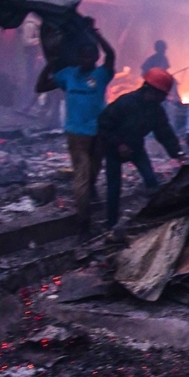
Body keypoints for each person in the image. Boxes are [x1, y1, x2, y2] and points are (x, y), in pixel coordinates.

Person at [36, 20, 115, 241]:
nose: (86, 60)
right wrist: (50, 63)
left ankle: (90, 195)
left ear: (95, 58)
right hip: (77, 135)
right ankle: (84, 223)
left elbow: (111, 55)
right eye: (83, 56)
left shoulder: (101, 75)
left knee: (93, 172)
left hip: (98, 133)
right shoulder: (68, 74)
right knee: (81, 177)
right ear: (79, 58)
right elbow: (41, 87)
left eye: (91, 56)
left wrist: (96, 35)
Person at [97, 68, 186, 228]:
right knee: (114, 186)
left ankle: (154, 217)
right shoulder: (125, 103)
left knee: (151, 181)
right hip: (114, 148)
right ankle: (111, 224)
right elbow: (103, 125)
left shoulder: (156, 111)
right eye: (162, 94)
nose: (164, 98)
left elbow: (164, 133)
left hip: (136, 147)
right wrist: (118, 144)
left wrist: (178, 153)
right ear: (150, 89)